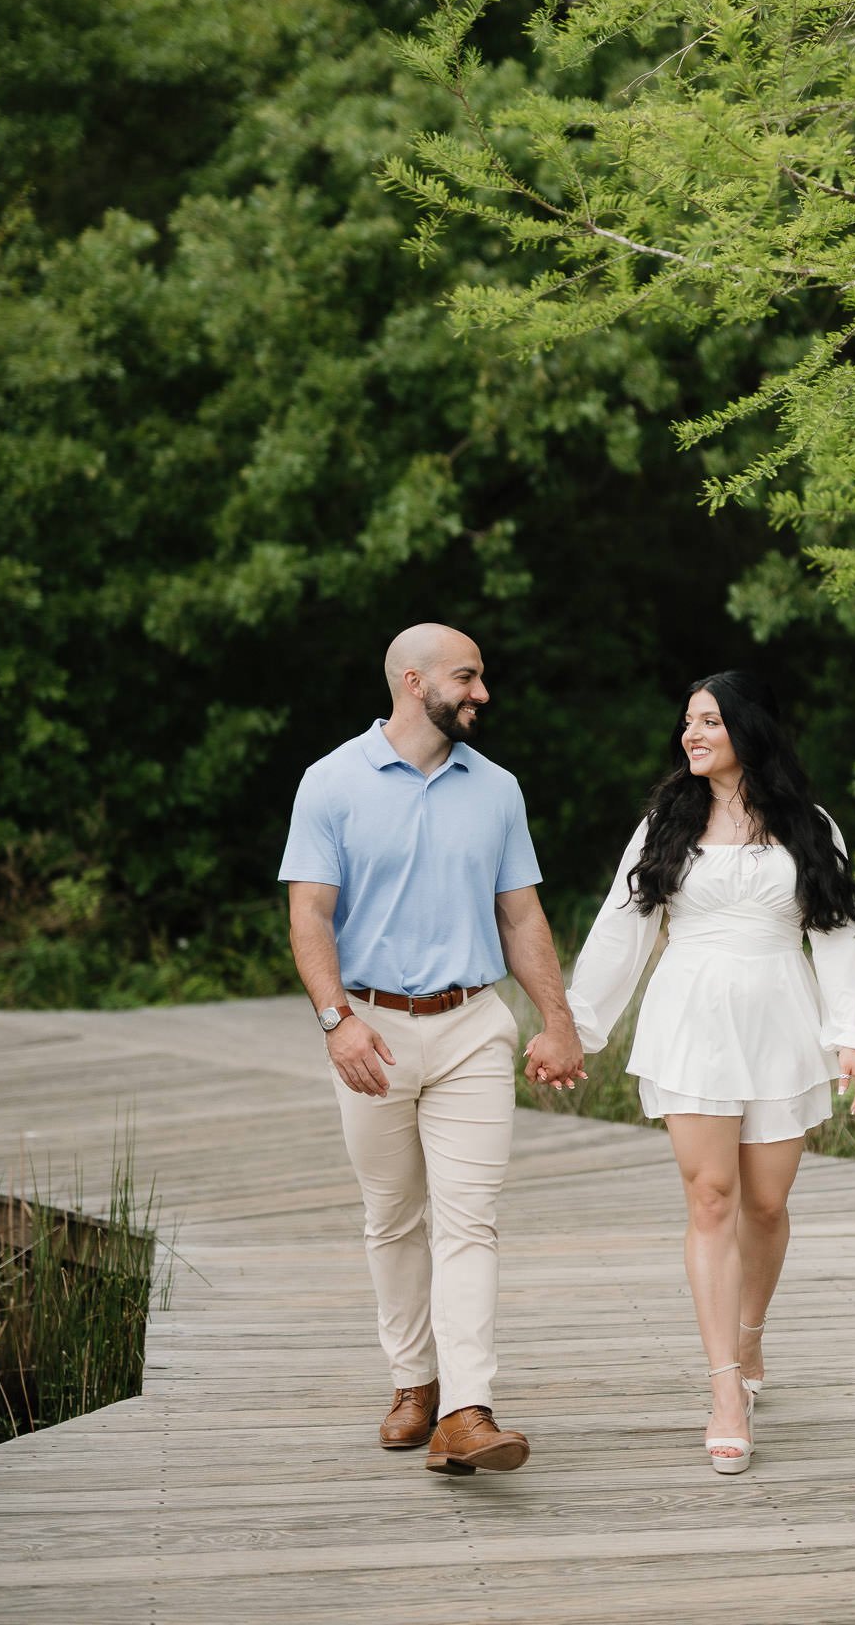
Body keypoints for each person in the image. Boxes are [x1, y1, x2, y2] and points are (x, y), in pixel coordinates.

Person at [531, 670, 855, 1476]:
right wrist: (573, 1029)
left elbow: (834, 936)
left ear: (747, 730)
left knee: (765, 1204)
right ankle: (724, 1388)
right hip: (689, 1020)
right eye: (686, 721)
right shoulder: (666, 822)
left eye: (708, 721)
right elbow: (621, 930)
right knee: (712, 1199)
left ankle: (750, 1335)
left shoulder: (807, 824)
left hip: (781, 1023)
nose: (690, 734)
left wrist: (849, 1036)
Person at [280, 623, 584, 1476]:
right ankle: (413, 1382)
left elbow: (520, 916)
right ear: (413, 683)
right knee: (392, 1218)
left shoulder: (496, 790)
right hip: (370, 1028)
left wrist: (556, 1021)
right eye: (467, 677)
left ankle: (464, 1410)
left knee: (468, 1220)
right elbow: (309, 913)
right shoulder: (330, 782)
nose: (482, 692)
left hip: (471, 1028)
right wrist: (337, 1021)